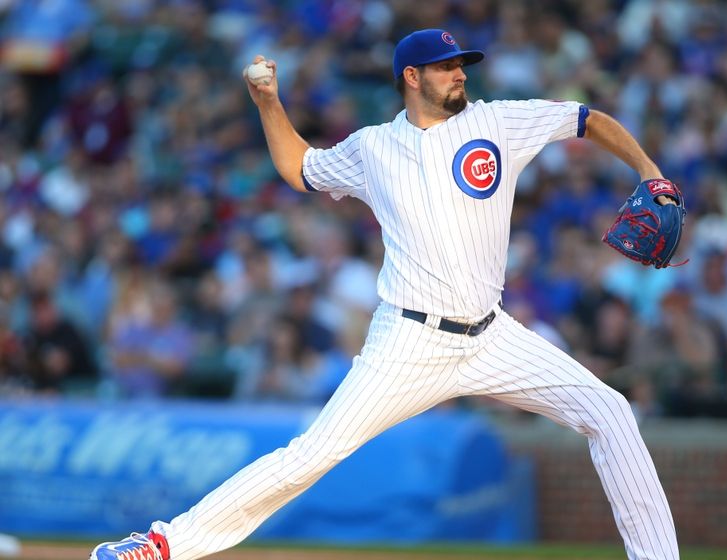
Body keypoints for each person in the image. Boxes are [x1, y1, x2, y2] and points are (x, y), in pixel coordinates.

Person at [91, 29, 680, 560]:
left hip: (491, 334)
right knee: (312, 454)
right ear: (412, 77)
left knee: (610, 413)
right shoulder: (372, 148)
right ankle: (164, 543)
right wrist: (269, 103)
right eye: (448, 66)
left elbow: (587, 118)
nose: (461, 74)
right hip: (409, 340)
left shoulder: (497, 122)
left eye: (462, 64)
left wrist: (650, 172)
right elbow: (302, 168)